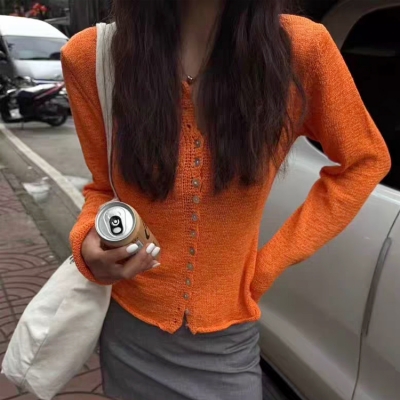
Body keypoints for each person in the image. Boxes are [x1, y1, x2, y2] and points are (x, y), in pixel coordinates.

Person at [61, 0, 391, 399]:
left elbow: (364, 161)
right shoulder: (92, 57)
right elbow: (102, 189)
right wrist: (87, 244)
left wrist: (265, 267)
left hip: (227, 342)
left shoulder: (300, 51)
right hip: (130, 334)